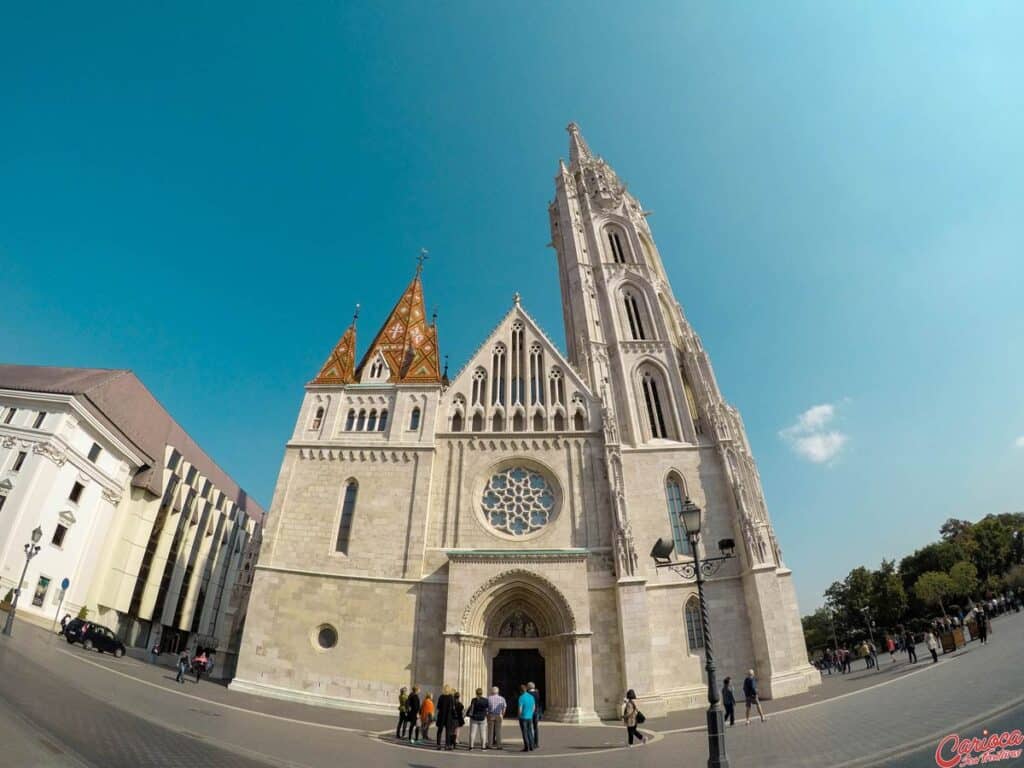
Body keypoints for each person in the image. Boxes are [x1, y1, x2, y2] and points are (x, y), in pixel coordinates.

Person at [486, 685, 506, 749]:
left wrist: (487, 715)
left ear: (492, 691)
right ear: (498, 691)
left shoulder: (488, 698)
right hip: (498, 715)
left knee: (490, 731)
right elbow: (504, 707)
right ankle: (499, 745)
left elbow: (486, 708)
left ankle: (490, 744)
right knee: (498, 731)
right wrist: (502, 714)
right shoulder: (502, 698)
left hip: (491, 714)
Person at [518, 684, 536, 751]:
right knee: (530, 732)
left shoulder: (521, 697)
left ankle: (527, 747)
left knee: (524, 732)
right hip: (530, 716)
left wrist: (519, 716)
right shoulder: (531, 697)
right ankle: (532, 746)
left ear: (521, 691)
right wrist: (531, 713)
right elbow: (534, 707)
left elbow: (520, 708)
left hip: (523, 717)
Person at [435, 685, 453, 750]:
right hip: (448, 716)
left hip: (441, 716)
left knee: (440, 730)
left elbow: (438, 707)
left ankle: (438, 744)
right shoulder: (451, 697)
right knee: (448, 731)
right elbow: (452, 707)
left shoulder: (441, 697)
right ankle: (447, 745)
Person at [527, 681, 542, 749]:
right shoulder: (537, 693)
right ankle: (536, 743)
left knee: (529, 727)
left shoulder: (527, 693)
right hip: (536, 711)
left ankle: (531, 742)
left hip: (529, 712)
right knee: (536, 727)